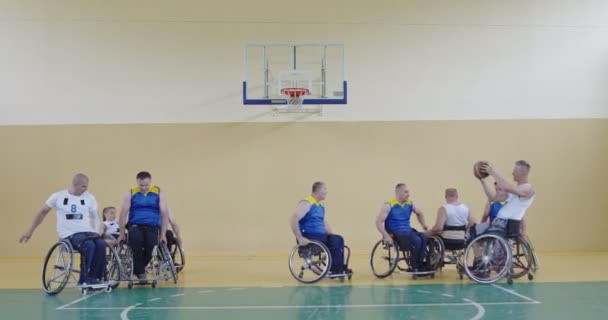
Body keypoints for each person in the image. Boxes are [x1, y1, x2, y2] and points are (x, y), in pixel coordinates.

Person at [19, 173, 106, 285]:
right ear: (75, 184)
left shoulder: (89, 197)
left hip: (87, 232)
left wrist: (97, 232)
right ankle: (84, 280)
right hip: (69, 234)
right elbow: (42, 212)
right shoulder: (58, 196)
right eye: (83, 186)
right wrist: (29, 231)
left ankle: (95, 277)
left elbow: (95, 217)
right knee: (89, 245)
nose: (86, 188)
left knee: (101, 244)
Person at [117, 171, 169, 283]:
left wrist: (163, 234)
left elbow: (164, 214)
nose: (144, 187)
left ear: (150, 182)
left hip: (152, 226)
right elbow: (123, 214)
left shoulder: (158, 192)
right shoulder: (131, 193)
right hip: (135, 226)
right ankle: (140, 273)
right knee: (135, 245)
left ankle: (138, 269)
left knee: (151, 246)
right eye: (141, 185)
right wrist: (122, 233)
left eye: (146, 185)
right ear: (137, 182)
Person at [290, 181, 351, 275]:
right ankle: (333, 269)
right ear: (317, 190)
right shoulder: (306, 203)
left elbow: (324, 224)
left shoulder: (320, 207)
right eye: (324, 189)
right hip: (309, 236)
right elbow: (294, 220)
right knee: (334, 240)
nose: (327, 191)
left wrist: (334, 235)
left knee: (338, 239)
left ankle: (337, 269)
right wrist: (299, 238)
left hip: (320, 237)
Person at [471, 160, 536, 238]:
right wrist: (482, 181)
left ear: (522, 173)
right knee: (471, 233)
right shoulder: (514, 190)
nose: (512, 173)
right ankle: (481, 250)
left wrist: (492, 173)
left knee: (470, 232)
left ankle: (481, 249)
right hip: (500, 223)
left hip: (504, 224)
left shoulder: (528, 188)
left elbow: (505, 186)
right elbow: (492, 198)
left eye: (514, 171)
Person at [376, 183, 430, 272]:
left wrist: (424, 225)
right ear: (398, 193)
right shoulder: (389, 205)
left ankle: (420, 264)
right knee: (417, 240)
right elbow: (378, 222)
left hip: (407, 231)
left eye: (408, 192)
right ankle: (414, 265)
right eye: (405, 192)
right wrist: (386, 235)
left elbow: (419, 213)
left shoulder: (410, 203)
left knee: (424, 237)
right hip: (396, 232)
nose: (408, 194)